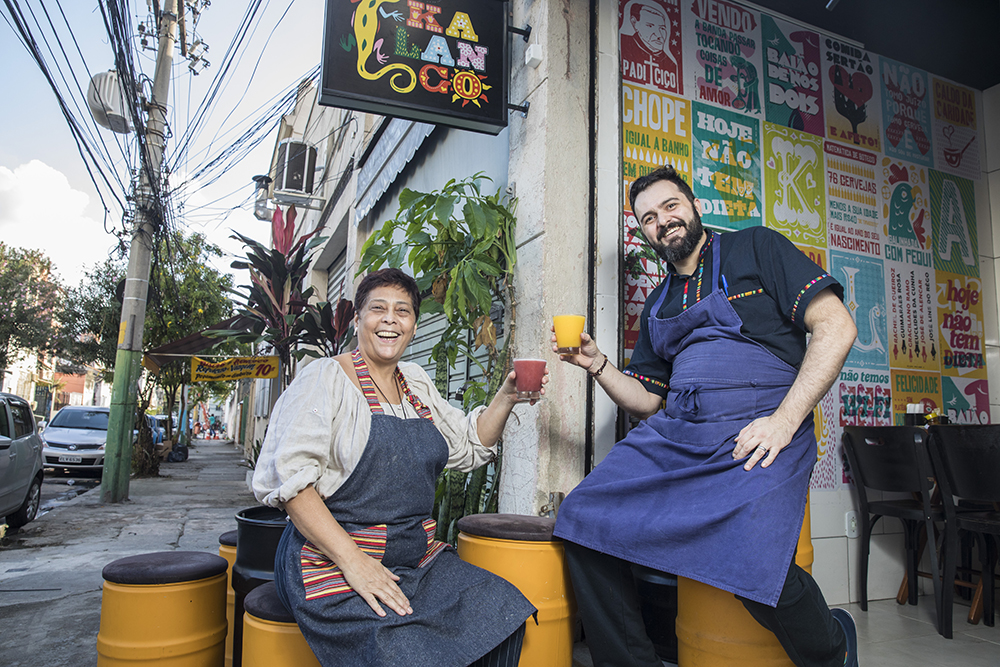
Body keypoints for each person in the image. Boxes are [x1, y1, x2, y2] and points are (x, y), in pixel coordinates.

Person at [552, 166, 860, 667]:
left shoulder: (756, 248)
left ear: (694, 205)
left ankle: (831, 650)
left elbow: (837, 327)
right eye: (648, 218)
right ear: (644, 232)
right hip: (680, 435)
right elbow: (649, 400)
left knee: (754, 557)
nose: (663, 221)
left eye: (670, 206)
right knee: (582, 517)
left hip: (758, 431)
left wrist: (783, 423)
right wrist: (598, 364)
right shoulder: (658, 303)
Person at [253, 268, 540, 667]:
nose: (390, 319)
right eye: (378, 309)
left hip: (412, 556)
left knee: (503, 612)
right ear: (358, 320)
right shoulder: (325, 379)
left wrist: (506, 398)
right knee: (403, 651)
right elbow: (293, 484)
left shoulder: (416, 383)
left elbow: (468, 445)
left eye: (402, 311)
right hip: (330, 558)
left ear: (414, 326)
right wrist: (355, 564)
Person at [620, 1, 678, 91]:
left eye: (662, 28)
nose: (659, 35)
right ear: (634, 23)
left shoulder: (671, 64)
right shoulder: (623, 43)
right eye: (650, 26)